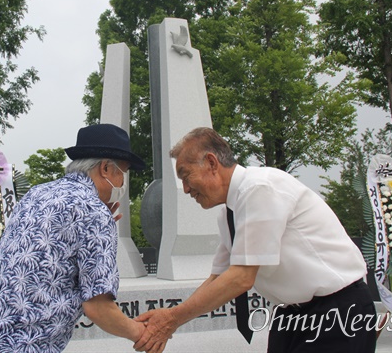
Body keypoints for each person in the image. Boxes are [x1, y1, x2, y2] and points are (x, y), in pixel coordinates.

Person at [134, 127, 376, 353]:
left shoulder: (259, 189)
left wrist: (173, 319)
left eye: (186, 176)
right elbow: (219, 277)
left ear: (211, 163)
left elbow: (241, 277)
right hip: (291, 316)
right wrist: (171, 318)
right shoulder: (229, 213)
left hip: (337, 310)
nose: (186, 189)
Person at [0, 123, 147, 353]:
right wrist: (142, 334)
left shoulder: (37, 193)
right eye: (123, 172)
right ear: (105, 169)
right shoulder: (94, 210)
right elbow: (98, 307)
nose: (122, 183)